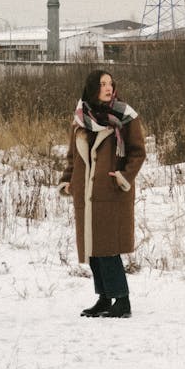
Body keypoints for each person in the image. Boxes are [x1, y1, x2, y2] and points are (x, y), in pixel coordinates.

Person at [58, 69, 145, 318]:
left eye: (110, 84)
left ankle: (122, 300)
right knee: (94, 249)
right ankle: (105, 298)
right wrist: (67, 180)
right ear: (92, 88)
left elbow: (137, 153)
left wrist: (123, 177)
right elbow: (72, 157)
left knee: (108, 248)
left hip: (112, 192)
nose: (108, 88)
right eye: (102, 84)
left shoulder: (126, 117)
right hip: (86, 193)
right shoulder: (80, 119)